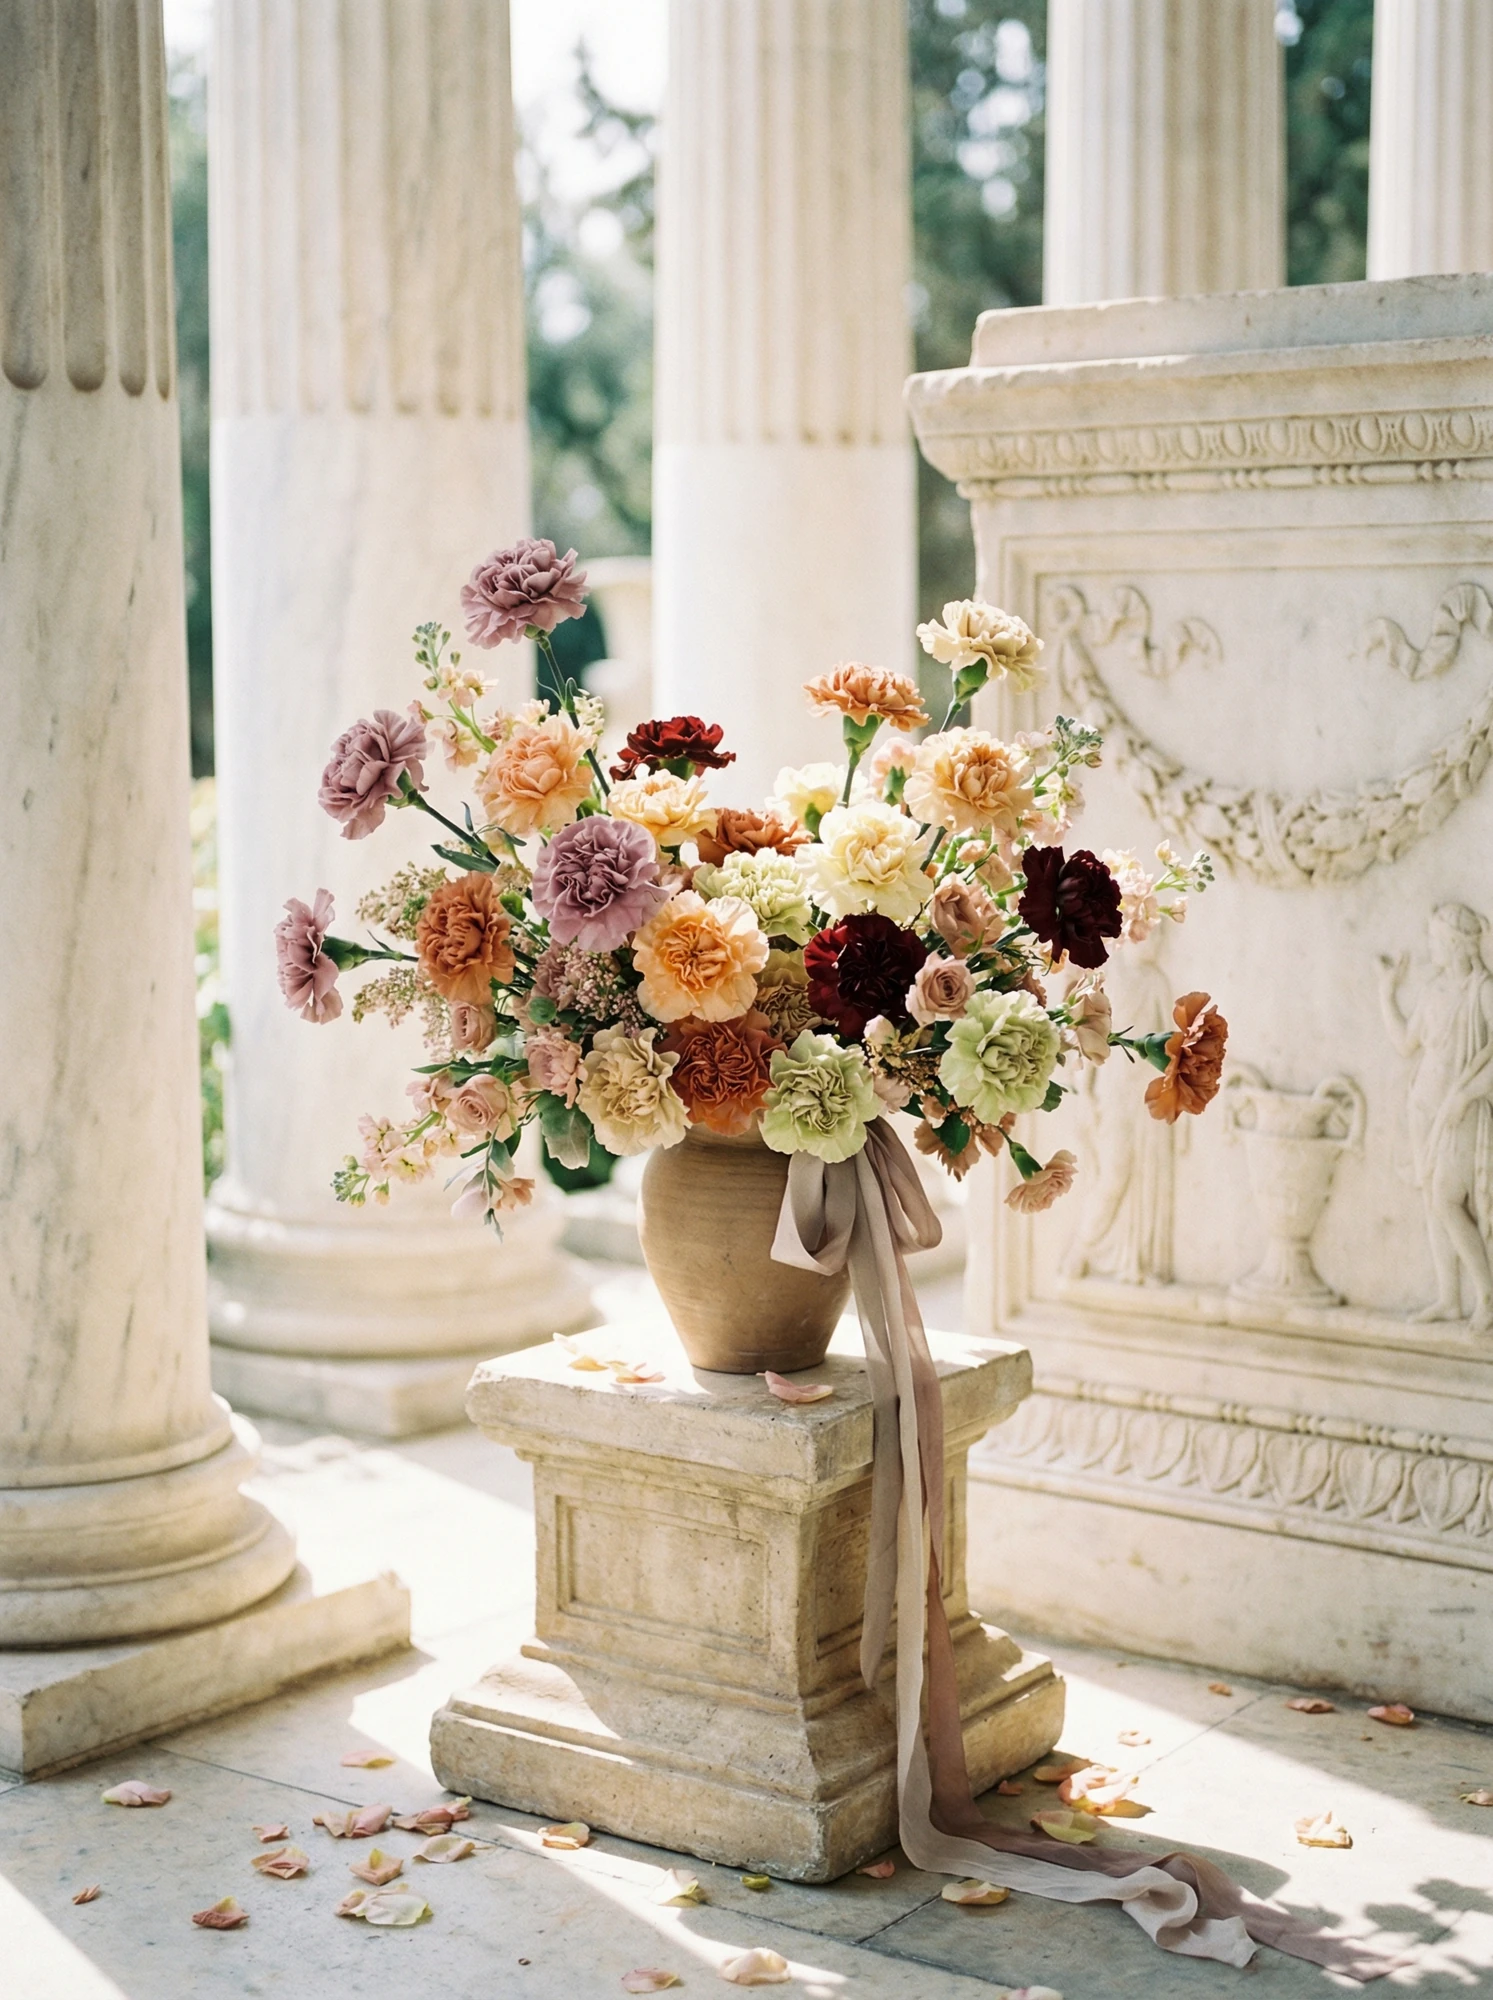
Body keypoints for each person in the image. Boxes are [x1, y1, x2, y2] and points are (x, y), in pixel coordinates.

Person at [1379, 903, 1493, 1332]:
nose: (1431, 947)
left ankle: (1486, 1294)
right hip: (1423, 1106)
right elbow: (1407, 1043)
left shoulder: (1483, 990)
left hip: (1460, 1107)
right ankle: (1449, 1298)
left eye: (1436, 940)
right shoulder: (1433, 990)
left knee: (1449, 1199)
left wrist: (1466, 1094)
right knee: (1433, 1204)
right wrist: (1386, 993)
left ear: (1457, 944)